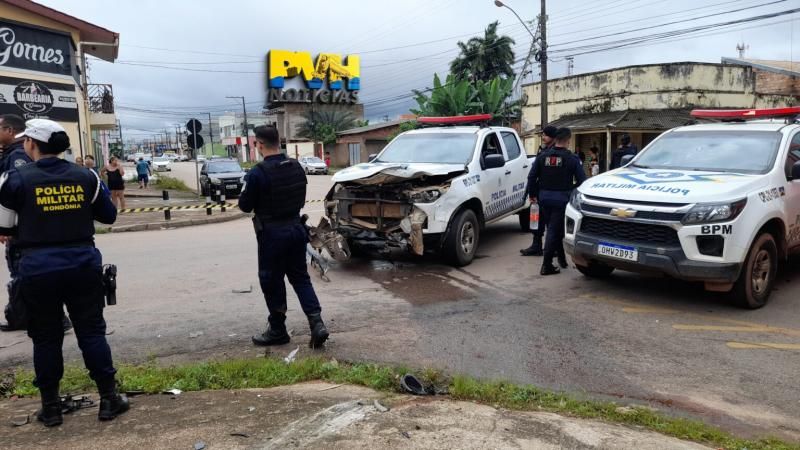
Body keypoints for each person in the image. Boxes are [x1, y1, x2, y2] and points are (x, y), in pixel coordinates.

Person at [0, 119, 127, 427]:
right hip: (82, 264)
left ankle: (51, 407)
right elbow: (109, 216)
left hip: (36, 269)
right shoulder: (86, 176)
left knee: (45, 338)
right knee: (91, 332)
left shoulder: (13, 179)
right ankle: (109, 400)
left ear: (31, 144)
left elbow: (3, 228)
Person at [238, 125, 329, 348]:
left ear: (258, 144)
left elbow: (244, 205)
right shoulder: (297, 167)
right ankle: (317, 323)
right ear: (279, 142)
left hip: (272, 235)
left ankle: (278, 330)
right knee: (300, 278)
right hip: (296, 229)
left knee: (271, 280)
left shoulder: (258, 173)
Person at [528, 127, 586, 276]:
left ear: (556, 139)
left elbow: (531, 176)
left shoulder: (542, 156)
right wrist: (570, 191)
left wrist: (533, 194)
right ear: (568, 140)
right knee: (553, 231)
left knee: (554, 229)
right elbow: (582, 181)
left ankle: (561, 259)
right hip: (561, 200)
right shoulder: (572, 159)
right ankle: (546, 265)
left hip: (544, 199)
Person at [521, 125, 558, 256]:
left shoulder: (554, 153)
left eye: (546, 135)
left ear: (553, 137)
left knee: (551, 223)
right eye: (543, 135)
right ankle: (536, 245)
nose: (543, 137)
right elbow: (533, 175)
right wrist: (532, 193)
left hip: (549, 193)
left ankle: (552, 248)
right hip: (540, 192)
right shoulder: (543, 151)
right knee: (537, 220)